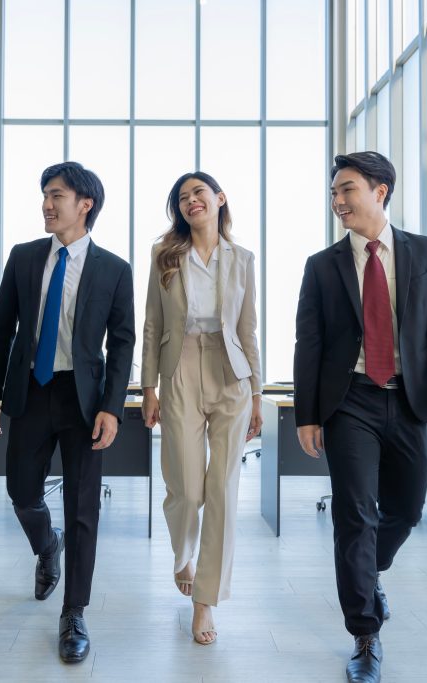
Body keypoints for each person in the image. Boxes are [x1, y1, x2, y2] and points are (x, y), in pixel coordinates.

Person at [294, 152, 427, 683]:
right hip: (349, 402)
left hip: (409, 399)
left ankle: (370, 576)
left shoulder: (425, 253)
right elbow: (310, 343)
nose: (338, 201)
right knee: (354, 515)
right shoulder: (322, 265)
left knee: (408, 508)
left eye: (347, 190)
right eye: (334, 193)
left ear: (380, 192)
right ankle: (365, 635)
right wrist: (307, 414)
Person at [0, 161, 134, 664]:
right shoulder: (24, 258)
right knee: (21, 489)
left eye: (57, 195)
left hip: (83, 400)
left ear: (85, 204)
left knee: (84, 507)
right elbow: (3, 328)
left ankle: (74, 612)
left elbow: (123, 342)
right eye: (45, 195)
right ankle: (48, 545)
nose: (47, 204)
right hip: (31, 392)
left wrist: (112, 406)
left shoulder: (114, 269)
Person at [140, 171, 263, 645]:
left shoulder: (243, 259)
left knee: (223, 490)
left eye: (199, 193)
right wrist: (148, 386)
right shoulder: (164, 256)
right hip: (180, 365)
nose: (191, 201)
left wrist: (256, 394)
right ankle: (182, 555)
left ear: (219, 199)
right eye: (183, 197)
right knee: (187, 486)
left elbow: (248, 330)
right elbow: (152, 324)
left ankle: (205, 601)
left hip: (231, 371)